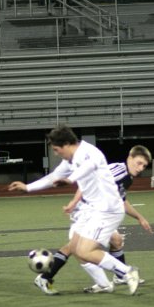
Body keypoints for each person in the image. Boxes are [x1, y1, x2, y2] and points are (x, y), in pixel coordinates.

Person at [8, 125, 140, 296]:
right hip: (92, 209)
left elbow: (89, 167)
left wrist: (70, 179)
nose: (56, 154)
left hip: (107, 209)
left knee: (85, 251)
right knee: (76, 248)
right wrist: (27, 188)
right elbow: (53, 177)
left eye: (57, 150)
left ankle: (127, 272)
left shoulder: (89, 153)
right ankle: (103, 283)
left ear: (67, 144)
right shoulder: (71, 159)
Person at [43, 145, 154, 294]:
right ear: (130, 157)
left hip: (97, 212)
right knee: (77, 248)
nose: (140, 168)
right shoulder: (118, 172)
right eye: (138, 163)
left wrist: (140, 218)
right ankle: (45, 277)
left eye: (144, 166)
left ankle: (119, 277)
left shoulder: (128, 177)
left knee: (115, 240)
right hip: (86, 212)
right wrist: (74, 203)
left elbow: (121, 201)